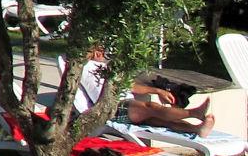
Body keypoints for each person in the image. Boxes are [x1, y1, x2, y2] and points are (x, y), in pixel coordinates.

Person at [83, 48, 215, 135]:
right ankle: (194, 113)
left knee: (162, 121)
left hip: (126, 104)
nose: (101, 52)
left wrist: (157, 91)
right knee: (151, 107)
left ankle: (197, 129)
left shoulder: (104, 66)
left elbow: (129, 85)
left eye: (101, 48)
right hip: (112, 108)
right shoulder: (82, 67)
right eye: (96, 49)